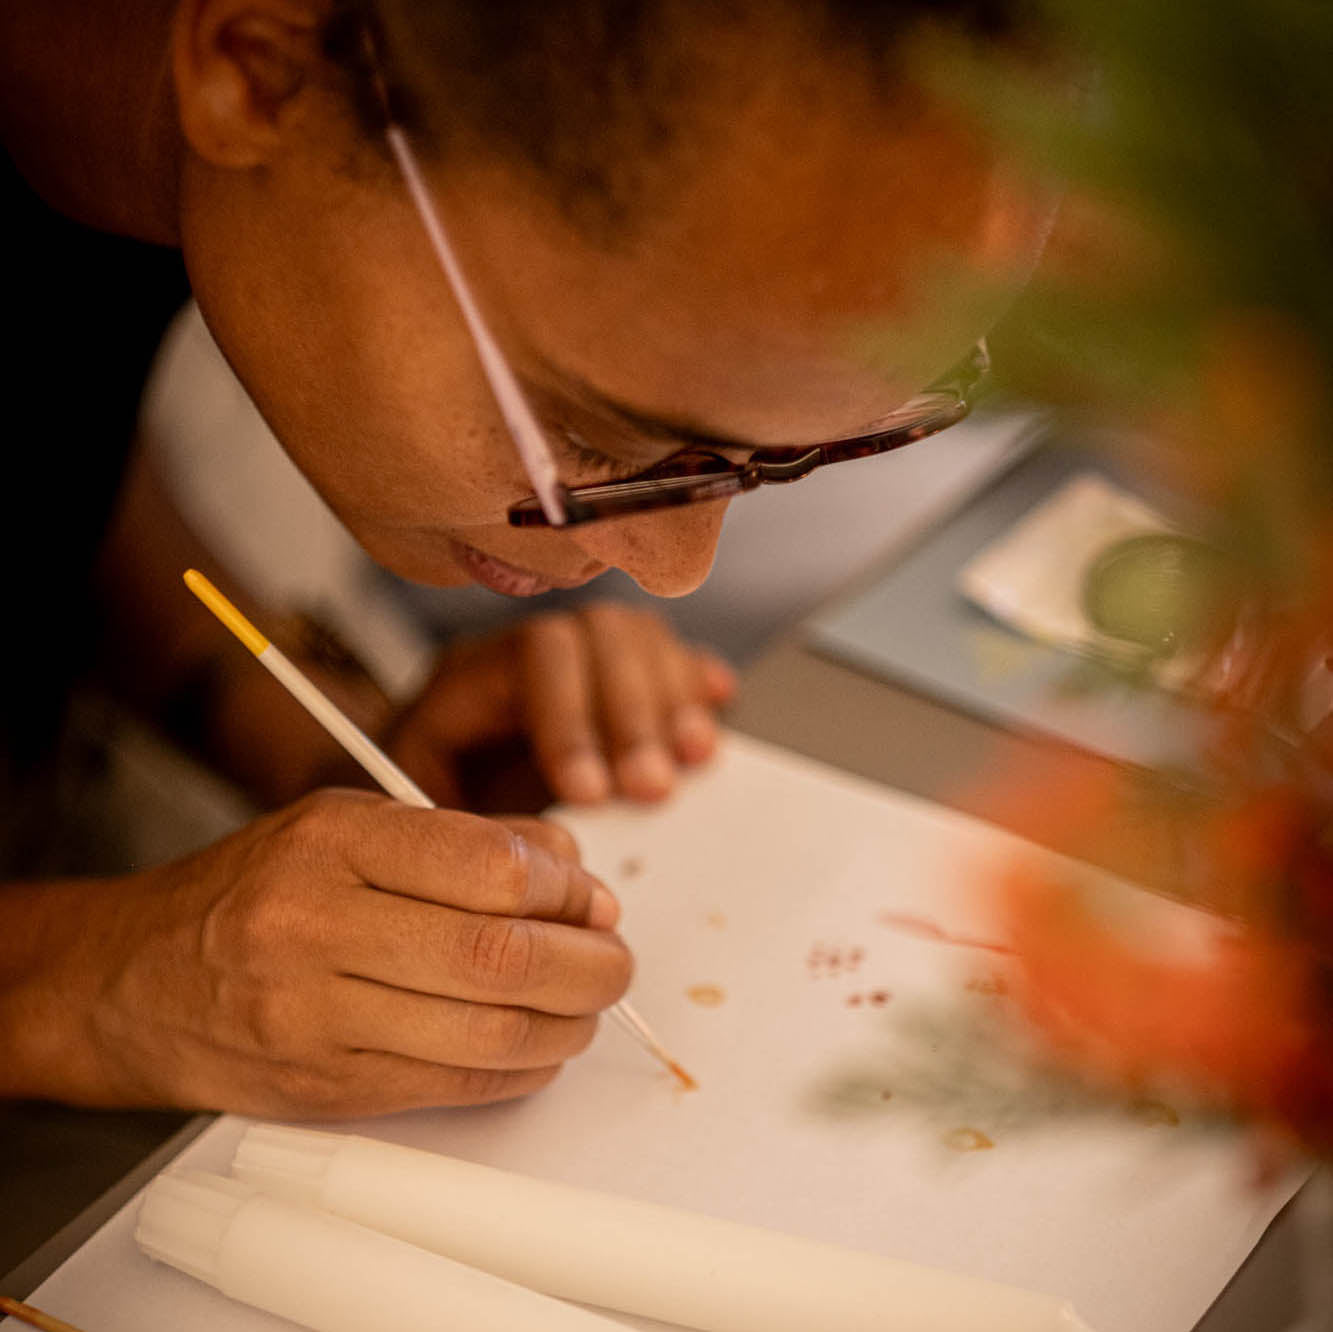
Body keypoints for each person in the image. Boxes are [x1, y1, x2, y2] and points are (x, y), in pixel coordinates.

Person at [0, 0, 1050, 1118]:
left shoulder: (150, 145)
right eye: (593, 441)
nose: (672, 568)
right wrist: (87, 982)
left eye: (773, 461)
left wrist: (314, 738)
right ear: (260, 66)